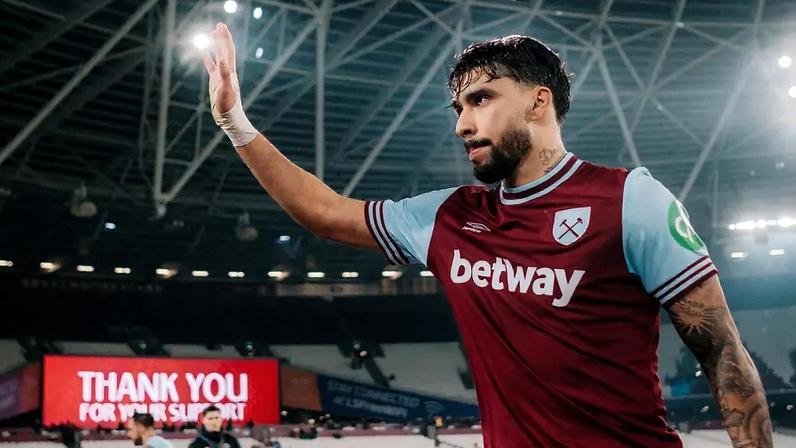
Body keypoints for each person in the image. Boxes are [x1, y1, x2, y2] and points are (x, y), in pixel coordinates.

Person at [203, 22, 772, 447]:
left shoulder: (631, 200)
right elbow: (324, 211)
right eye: (457, 107)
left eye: (481, 99)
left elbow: (722, 352)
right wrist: (235, 122)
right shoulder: (449, 218)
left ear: (538, 101)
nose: (462, 124)